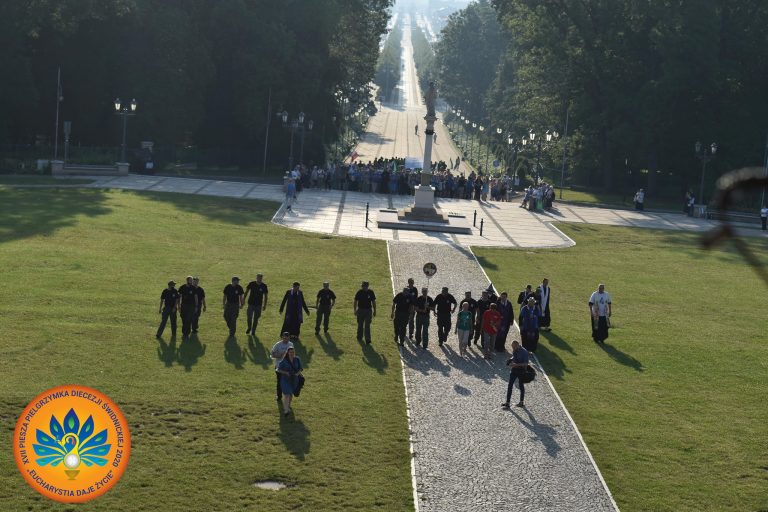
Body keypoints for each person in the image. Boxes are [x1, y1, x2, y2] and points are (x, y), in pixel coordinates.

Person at [502, 340, 530, 408]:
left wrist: (516, 365)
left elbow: (526, 363)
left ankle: (521, 402)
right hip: (514, 370)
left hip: (521, 371)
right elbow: (514, 356)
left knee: (521, 386)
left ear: (517, 345)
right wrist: (510, 359)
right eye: (512, 347)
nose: (513, 349)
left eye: (514, 347)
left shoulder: (524, 352)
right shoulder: (515, 349)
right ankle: (507, 402)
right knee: (510, 385)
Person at [277, 345, 303, 417]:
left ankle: (288, 406)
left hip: (294, 380)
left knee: (291, 394)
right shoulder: (284, 360)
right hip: (285, 380)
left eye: (293, 352)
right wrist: (286, 373)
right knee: (287, 394)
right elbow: (278, 369)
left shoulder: (297, 359)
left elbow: (300, 368)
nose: (292, 353)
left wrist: (297, 374)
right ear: (287, 353)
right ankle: (286, 410)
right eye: (290, 352)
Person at [271, 333, 293, 402]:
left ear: (289, 338)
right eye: (284, 338)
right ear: (282, 338)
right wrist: (279, 355)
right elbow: (272, 354)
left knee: (288, 383)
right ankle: (279, 396)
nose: (285, 340)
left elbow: (293, 354)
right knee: (280, 382)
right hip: (279, 367)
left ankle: (287, 396)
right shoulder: (278, 344)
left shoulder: (291, 344)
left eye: (287, 338)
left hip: (288, 367)